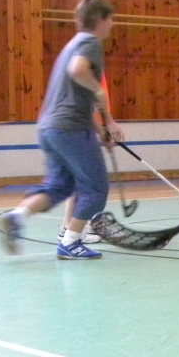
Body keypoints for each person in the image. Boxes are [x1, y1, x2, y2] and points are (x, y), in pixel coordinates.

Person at [0, 0, 125, 259]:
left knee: (59, 186)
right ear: (100, 19)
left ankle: (18, 216)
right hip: (71, 130)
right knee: (95, 188)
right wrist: (100, 93)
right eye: (110, 19)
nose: (112, 25)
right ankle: (70, 242)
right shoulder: (90, 43)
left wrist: (101, 129)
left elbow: (75, 98)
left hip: (49, 128)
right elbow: (78, 71)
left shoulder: (71, 45)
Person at [56, 73, 116, 245]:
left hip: (82, 128)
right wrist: (105, 127)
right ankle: (70, 233)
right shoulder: (84, 67)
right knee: (88, 184)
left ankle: (73, 228)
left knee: (81, 183)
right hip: (77, 128)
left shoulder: (95, 69)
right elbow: (86, 104)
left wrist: (103, 127)